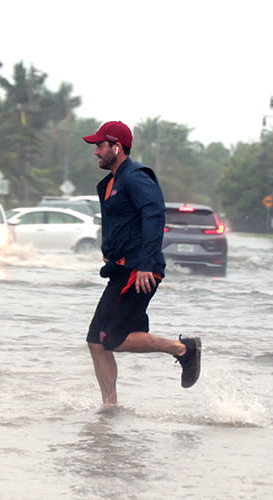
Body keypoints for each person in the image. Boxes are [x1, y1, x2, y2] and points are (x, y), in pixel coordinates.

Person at [82, 120, 201, 407]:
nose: (96, 151)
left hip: (139, 270)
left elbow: (154, 215)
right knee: (96, 341)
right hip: (122, 268)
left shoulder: (134, 177)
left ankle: (184, 349)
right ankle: (110, 407)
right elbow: (123, 222)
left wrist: (146, 263)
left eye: (100, 145)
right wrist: (109, 250)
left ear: (117, 147)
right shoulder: (113, 181)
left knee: (112, 339)